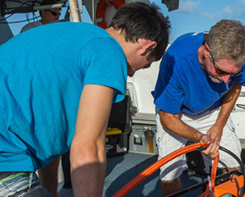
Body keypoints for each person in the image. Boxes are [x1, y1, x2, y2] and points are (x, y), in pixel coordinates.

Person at [0, 2, 170, 197]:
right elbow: (89, 147)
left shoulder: (71, 36)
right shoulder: (110, 51)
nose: (131, 74)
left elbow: (53, 141)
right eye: (144, 66)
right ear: (147, 47)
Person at [152, 19, 245, 196]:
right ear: (207, 51)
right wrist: (199, 137)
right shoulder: (176, 60)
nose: (226, 80)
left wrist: (219, 126)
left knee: (233, 164)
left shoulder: (239, 56)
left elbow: (236, 85)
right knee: (170, 172)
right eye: (221, 71)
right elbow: (168, 117)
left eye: (233, 73)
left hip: (213, 109)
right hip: (177, 113)